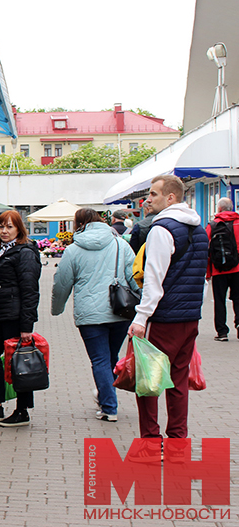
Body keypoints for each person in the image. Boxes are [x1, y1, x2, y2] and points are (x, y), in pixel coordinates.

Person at [127, 175, 207, 460]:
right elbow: (201, 277)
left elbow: (154, 279)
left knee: (148, 382)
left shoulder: (161, 230)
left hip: (164, 318)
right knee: (178, 382)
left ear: (170, 197)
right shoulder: (199, 230)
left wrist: (140, 318)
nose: (149, 199)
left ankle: (150, 443)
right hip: (189, 317)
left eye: (154, 194)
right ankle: (177, 445)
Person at [51, 208, 139, 422]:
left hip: (90, 315)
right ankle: (106, 397)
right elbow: (134, 277)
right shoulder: (121, 244)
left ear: (78, 224)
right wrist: (144, 308)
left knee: (99, 359)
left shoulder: (73, 250)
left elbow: (62, 283)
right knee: (110, 357)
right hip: (121, 310)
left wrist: (57, 308)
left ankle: (109, 406)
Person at [0, 210, 42, 427]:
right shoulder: (5, 250)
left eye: (9, 227)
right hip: (2, 316)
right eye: (1, 226)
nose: (4, 231)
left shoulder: (24, 252)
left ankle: (22, 410)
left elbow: (30, 290)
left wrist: (27, 325)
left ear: (19, 229)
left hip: (15, 317)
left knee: (18, 363)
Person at [206, 197, 239, 341]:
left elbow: (206, 250)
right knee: (238, 299)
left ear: (219, 209)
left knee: (219, 300)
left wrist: (207, 273)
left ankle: (222, 332)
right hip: (238, 269)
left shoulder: (212, 226)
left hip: (218, 270)